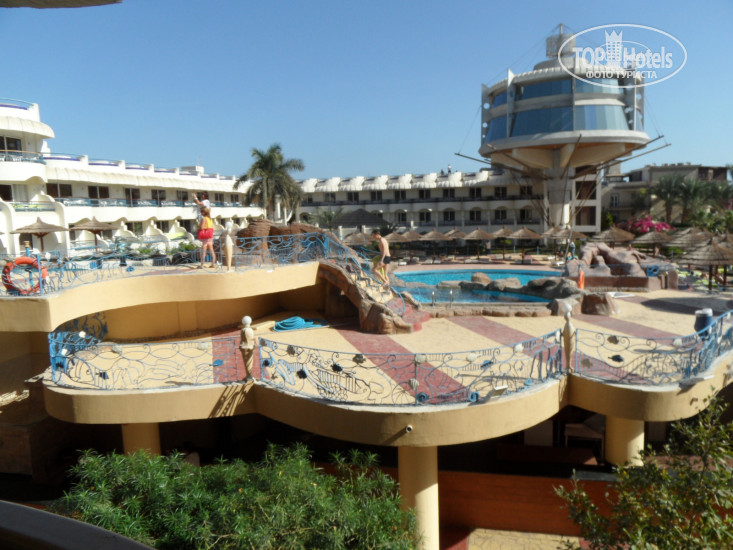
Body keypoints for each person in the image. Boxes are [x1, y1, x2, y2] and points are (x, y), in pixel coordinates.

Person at [239, 315, 255, 381]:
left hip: (245, 347)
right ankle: (249, 375)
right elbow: (252, 340)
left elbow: (243, 340)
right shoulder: (250, 330)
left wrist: (241, 345)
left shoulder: (243, 330)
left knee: (247, 363)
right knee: (249, 362)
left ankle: (249, 376)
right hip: (249, 347)